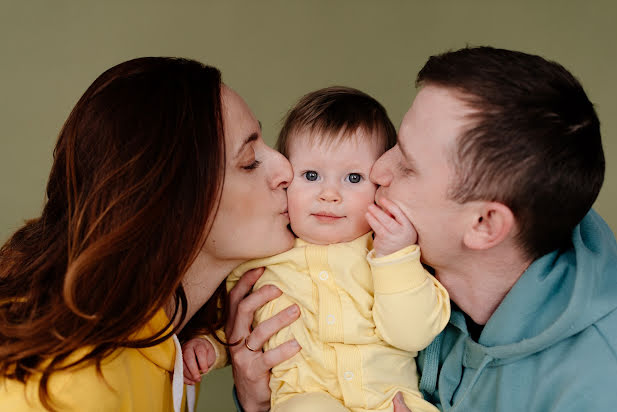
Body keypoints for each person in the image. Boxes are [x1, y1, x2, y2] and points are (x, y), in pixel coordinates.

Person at [0, 57, 302, 411]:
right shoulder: (66, 386)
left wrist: (257, 406)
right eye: (250, 159)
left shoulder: (167, 341)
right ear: (177, 201)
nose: (286, 168)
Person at [370, 46, 616, 411]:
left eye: (407, 165)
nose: (377, 171)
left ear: (484, 225)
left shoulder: (598, 383)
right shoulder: (392, 258)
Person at [182, 86, 450, 412]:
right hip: (304, 400)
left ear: (381, 185)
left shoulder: (392, 251)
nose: (329, 194)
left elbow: (413, 334)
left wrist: (394, 258)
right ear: (286, 180)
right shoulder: (257, 258)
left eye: (353, 178)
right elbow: (230, 321)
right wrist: (206, 345)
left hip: (390, 402)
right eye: (311, 175)